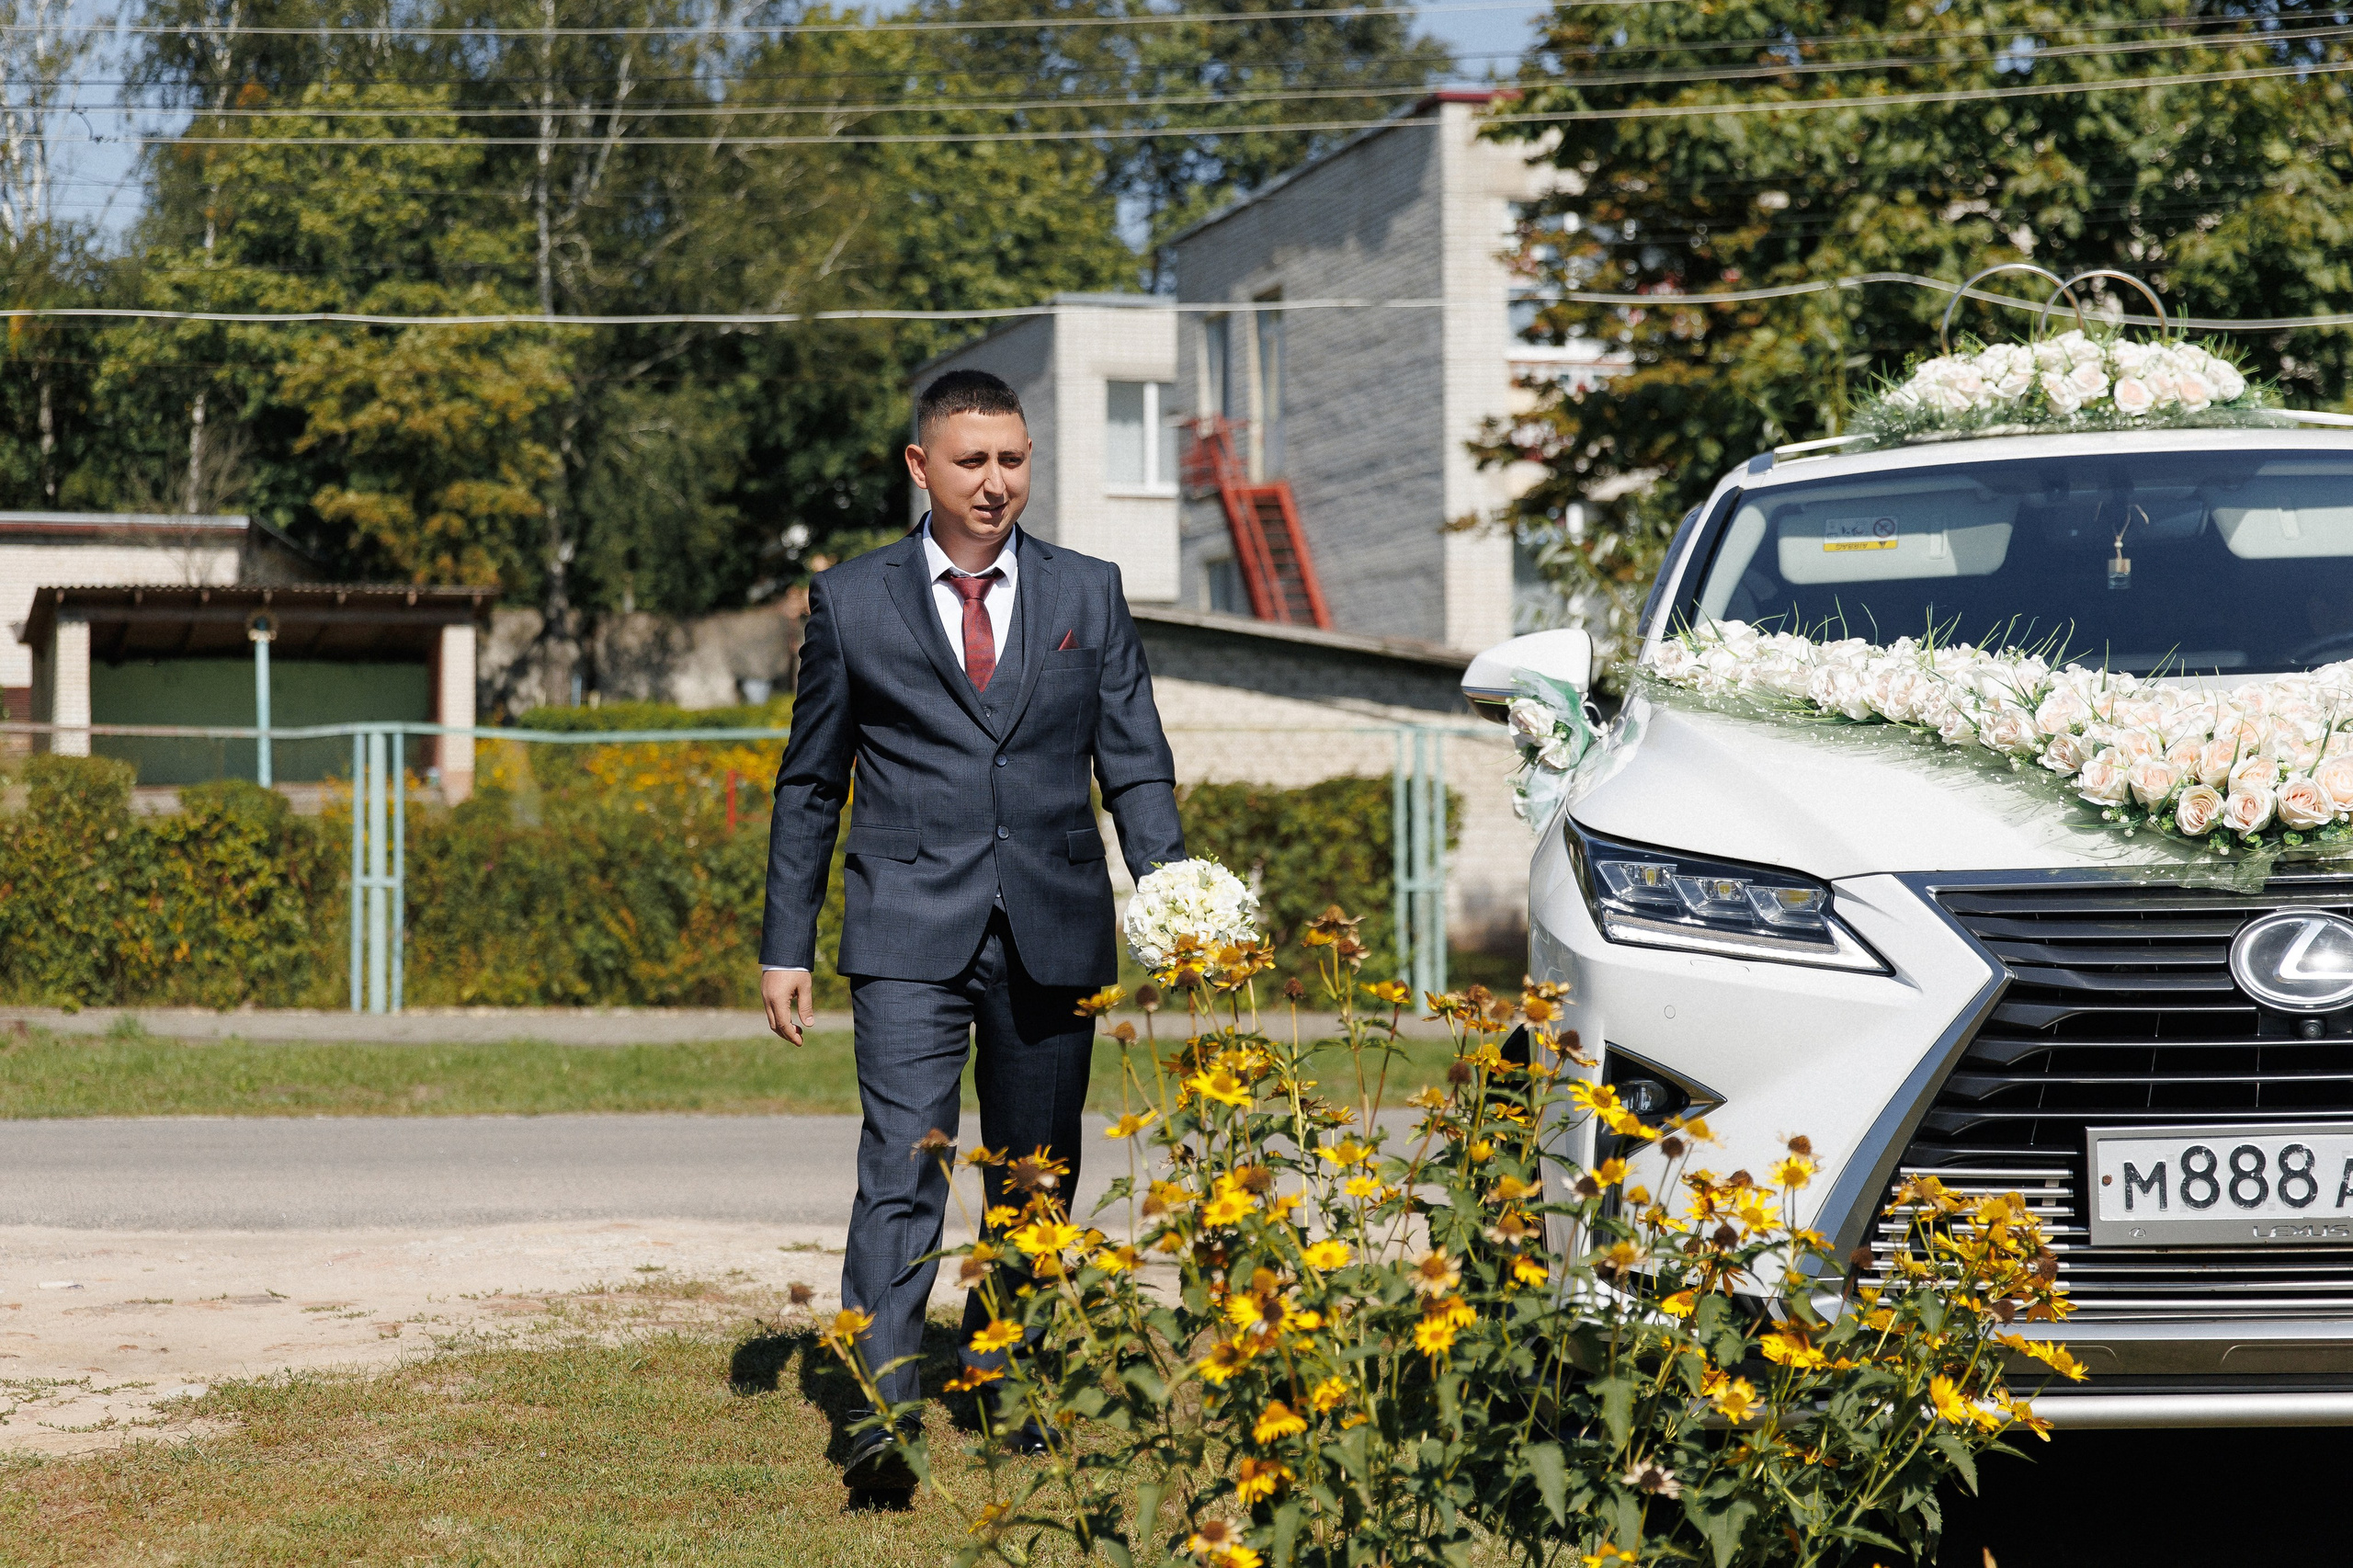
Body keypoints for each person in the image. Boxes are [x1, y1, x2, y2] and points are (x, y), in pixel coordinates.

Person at [757, 368, 1185, 1491]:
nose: (995, 483)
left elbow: (1134, 762)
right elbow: (810, 784)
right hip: (904, 930)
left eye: (1012, 460)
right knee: (901, 1166)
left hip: (1054, 923)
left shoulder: (1089, 593)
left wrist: (1175, 893)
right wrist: (785, 942)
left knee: (1036, 1176)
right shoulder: (851, 600)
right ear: (920, 467)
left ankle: (1014, 1377)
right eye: (971, 461)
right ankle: (882, 1423)